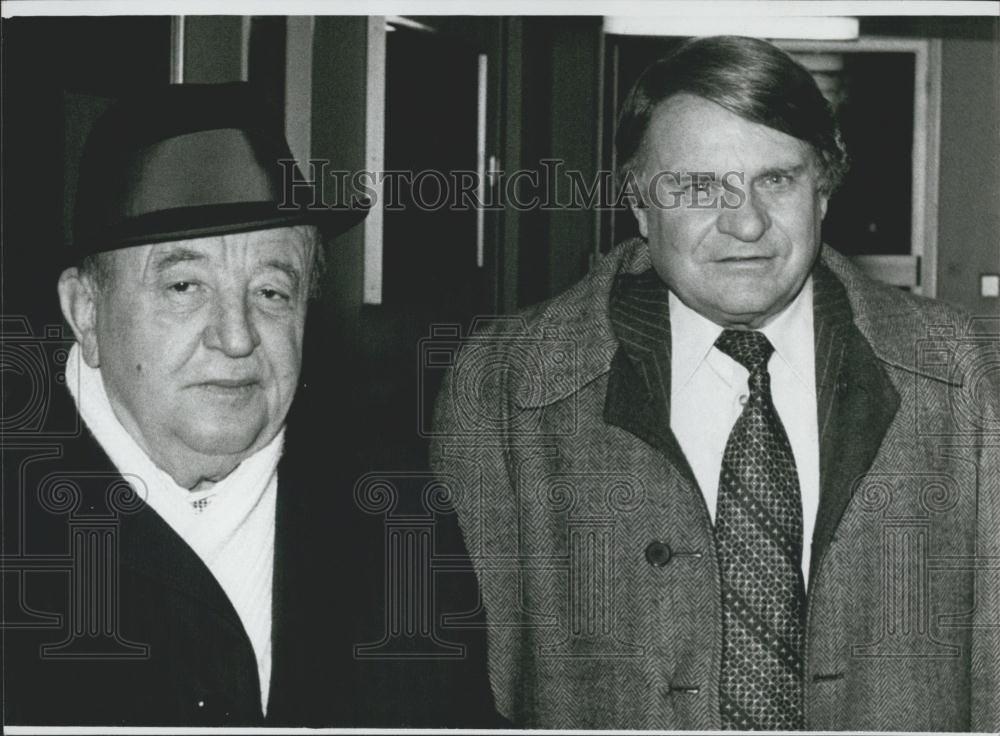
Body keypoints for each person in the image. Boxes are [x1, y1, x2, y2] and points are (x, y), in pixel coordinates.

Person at [431, 36, 999, 731]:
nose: (747, 223)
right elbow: (460, 686)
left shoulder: (963, 375)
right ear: (640, 204)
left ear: (822, 190)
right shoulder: (503, 387)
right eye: (699, 187)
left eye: (776, 180)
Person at [3, 82, 500, 727]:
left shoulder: (398, 519)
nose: (236, 337)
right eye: (185, 286)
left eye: (271, 291)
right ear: (86, 311)